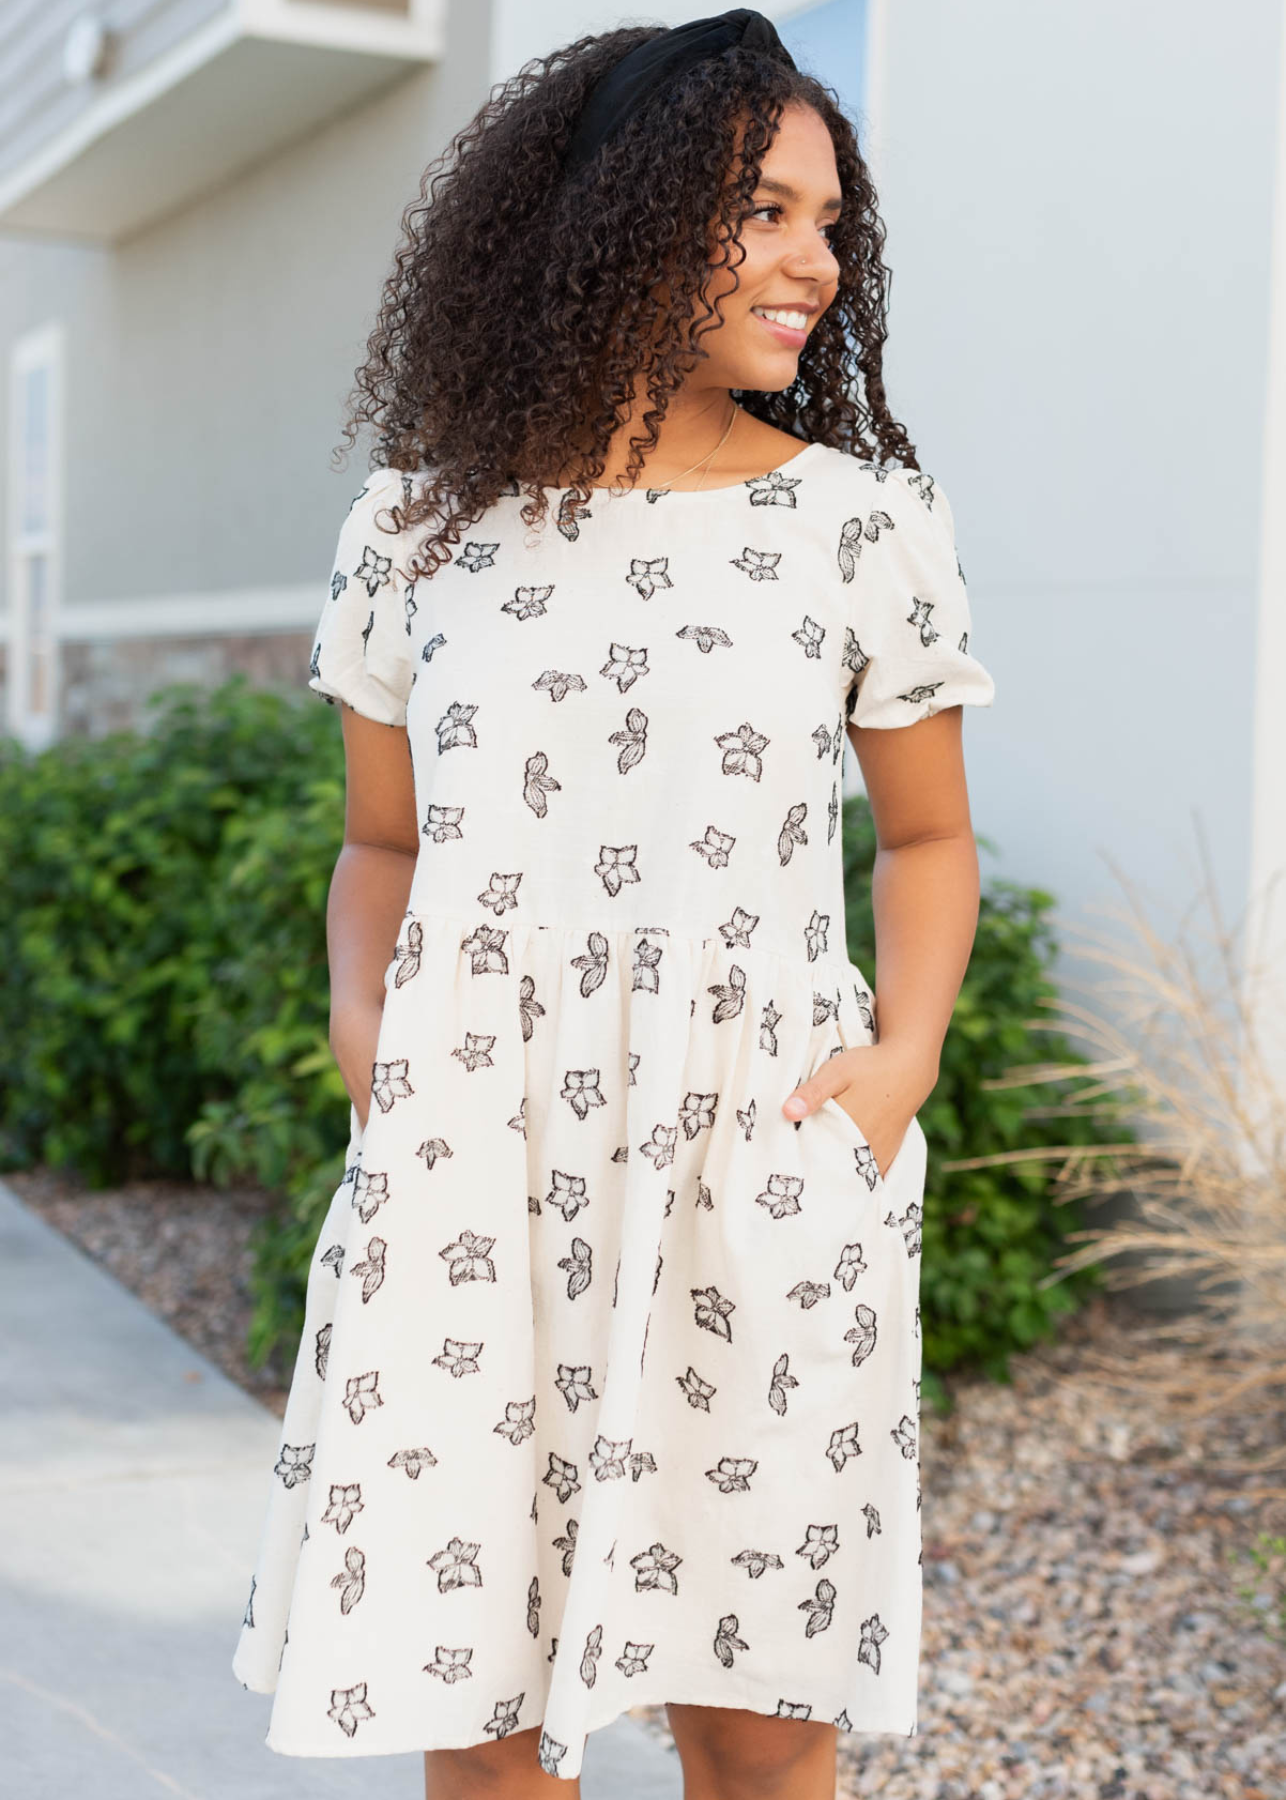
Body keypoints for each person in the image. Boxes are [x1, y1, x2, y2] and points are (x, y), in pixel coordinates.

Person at [231, 10, 996, 1795]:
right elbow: (384, 846)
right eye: (767, 210)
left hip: (759, 1165)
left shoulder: (859, 527)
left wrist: (900, 1067)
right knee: (482, 1724)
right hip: (469, 1178)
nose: (816, 259)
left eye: (831, 218)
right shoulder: (420, 529)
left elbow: (928, 842)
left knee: (756, 1725)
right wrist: (368, 1033)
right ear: (616, 212)